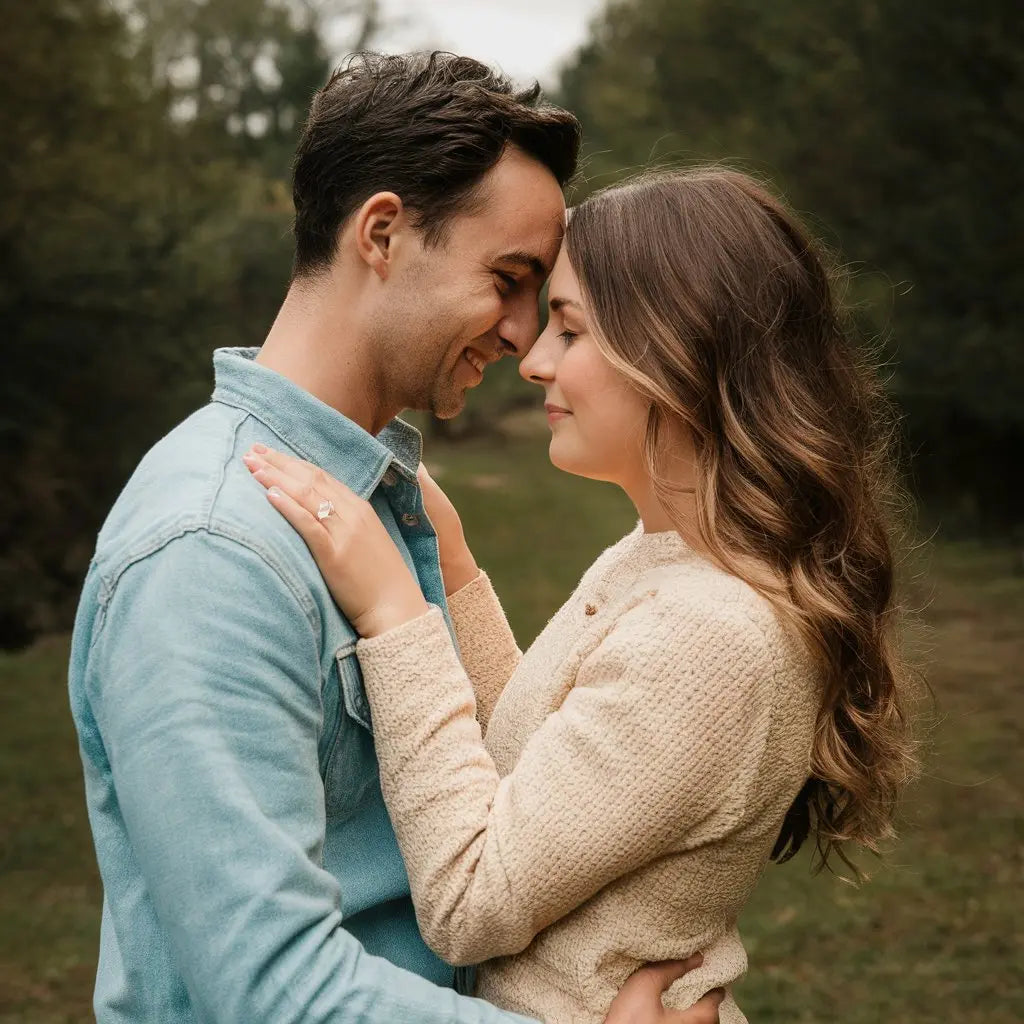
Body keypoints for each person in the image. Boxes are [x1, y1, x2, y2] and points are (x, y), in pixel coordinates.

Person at [67, 53, 722, 1023]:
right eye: (507, 279)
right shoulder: (211, 550)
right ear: (382, 233)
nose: (520, 333)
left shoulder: (372, 497)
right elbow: (269, 992)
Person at [244, 167, 919, 1023]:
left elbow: (468, 900)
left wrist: (396, 616)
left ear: (678, 351)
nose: (532, 361)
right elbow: (542, 763)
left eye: (570, 330)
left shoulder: (712, 636)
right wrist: (452, 565)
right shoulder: (664, 562)